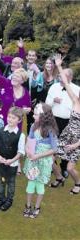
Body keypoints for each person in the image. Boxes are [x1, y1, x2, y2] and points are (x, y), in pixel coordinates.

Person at [45, 63, 80, 183]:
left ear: (70, 77)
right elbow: (46, 104)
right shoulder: (53, 87)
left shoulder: (76, 90)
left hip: (69, 123)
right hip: (54, 120)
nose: (60, 77)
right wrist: (53, 101)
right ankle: (52, 166)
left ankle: (64, 167)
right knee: (52, 143)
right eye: (59, 75)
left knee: (67, 147)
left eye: (63, 76)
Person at [23, 103, 58, 218]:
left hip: (43, 161)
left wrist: (38, 156)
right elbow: (29, 139)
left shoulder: (50, 130)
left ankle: (37, 207)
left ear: (44, 115)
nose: (34, 115)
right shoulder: (34, 126)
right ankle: (28, 206)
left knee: (40, 185)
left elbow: (54, 149)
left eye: (37, 112)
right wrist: (27, 150)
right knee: (31, 183)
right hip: (33, 159)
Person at [0, 107, 25, 211]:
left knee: (11, 182)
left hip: (12, 163)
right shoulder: (0, 130)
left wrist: (12, 160)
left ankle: (9, 200)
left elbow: (20, 151)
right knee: (0, 182)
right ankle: (0, 198)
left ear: (19, 120)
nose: (10, 119)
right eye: (9, 117)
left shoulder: (21, 135)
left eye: (13, 118)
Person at [0, 61, 31, 130]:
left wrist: (26, 110)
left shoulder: (26, 93)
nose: (14, 78)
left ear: (22, 81)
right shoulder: (6, 83)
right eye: (14, 75)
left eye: (17, 77)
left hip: (15, 125)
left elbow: (28, 107)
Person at [56, 56, 80, 194]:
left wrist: (75, 145)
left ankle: (78, 183)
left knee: (70, 168)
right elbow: (65, 82)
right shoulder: (76, 101)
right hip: (67, 134)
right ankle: (59, 177)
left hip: (77, 141)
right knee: (51, 157)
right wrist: (59, 66)